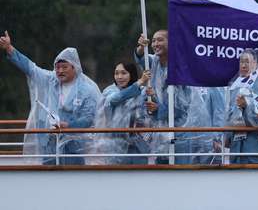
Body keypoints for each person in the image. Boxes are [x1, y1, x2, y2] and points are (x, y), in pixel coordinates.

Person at [1, 31, 100, 165]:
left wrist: (69, 126)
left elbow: (89, 118)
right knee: (48, 180)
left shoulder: (87, 89)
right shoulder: (50, 80)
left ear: (74, 67)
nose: (60, 71)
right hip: (49, 145)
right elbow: (31, 68)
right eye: (57, 67)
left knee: (75, 181)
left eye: (64, 67)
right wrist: (9, 48)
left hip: (74, 148)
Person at [135, 31, 205, 164]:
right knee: (161, 175)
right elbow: (141, 58)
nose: (155, 44)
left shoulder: (180, 67)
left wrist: (159, 109)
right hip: (160, 134)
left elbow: (183, 106)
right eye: (154, 41)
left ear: (170, 42)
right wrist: (140, 47)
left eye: (160, 40)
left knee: (180, 175)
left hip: (179, 133)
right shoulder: (154, 62)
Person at [93, 61, 151, 164]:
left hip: (138, 147)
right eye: (116, 73)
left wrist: (153, 97)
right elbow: (115, 99)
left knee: (140, 177)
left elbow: (149, 114)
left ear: (131, 74)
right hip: (115, 146)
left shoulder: (143, 92)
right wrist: (139, 83)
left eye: (124, 73)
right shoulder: (109, 91)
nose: (119, 77)